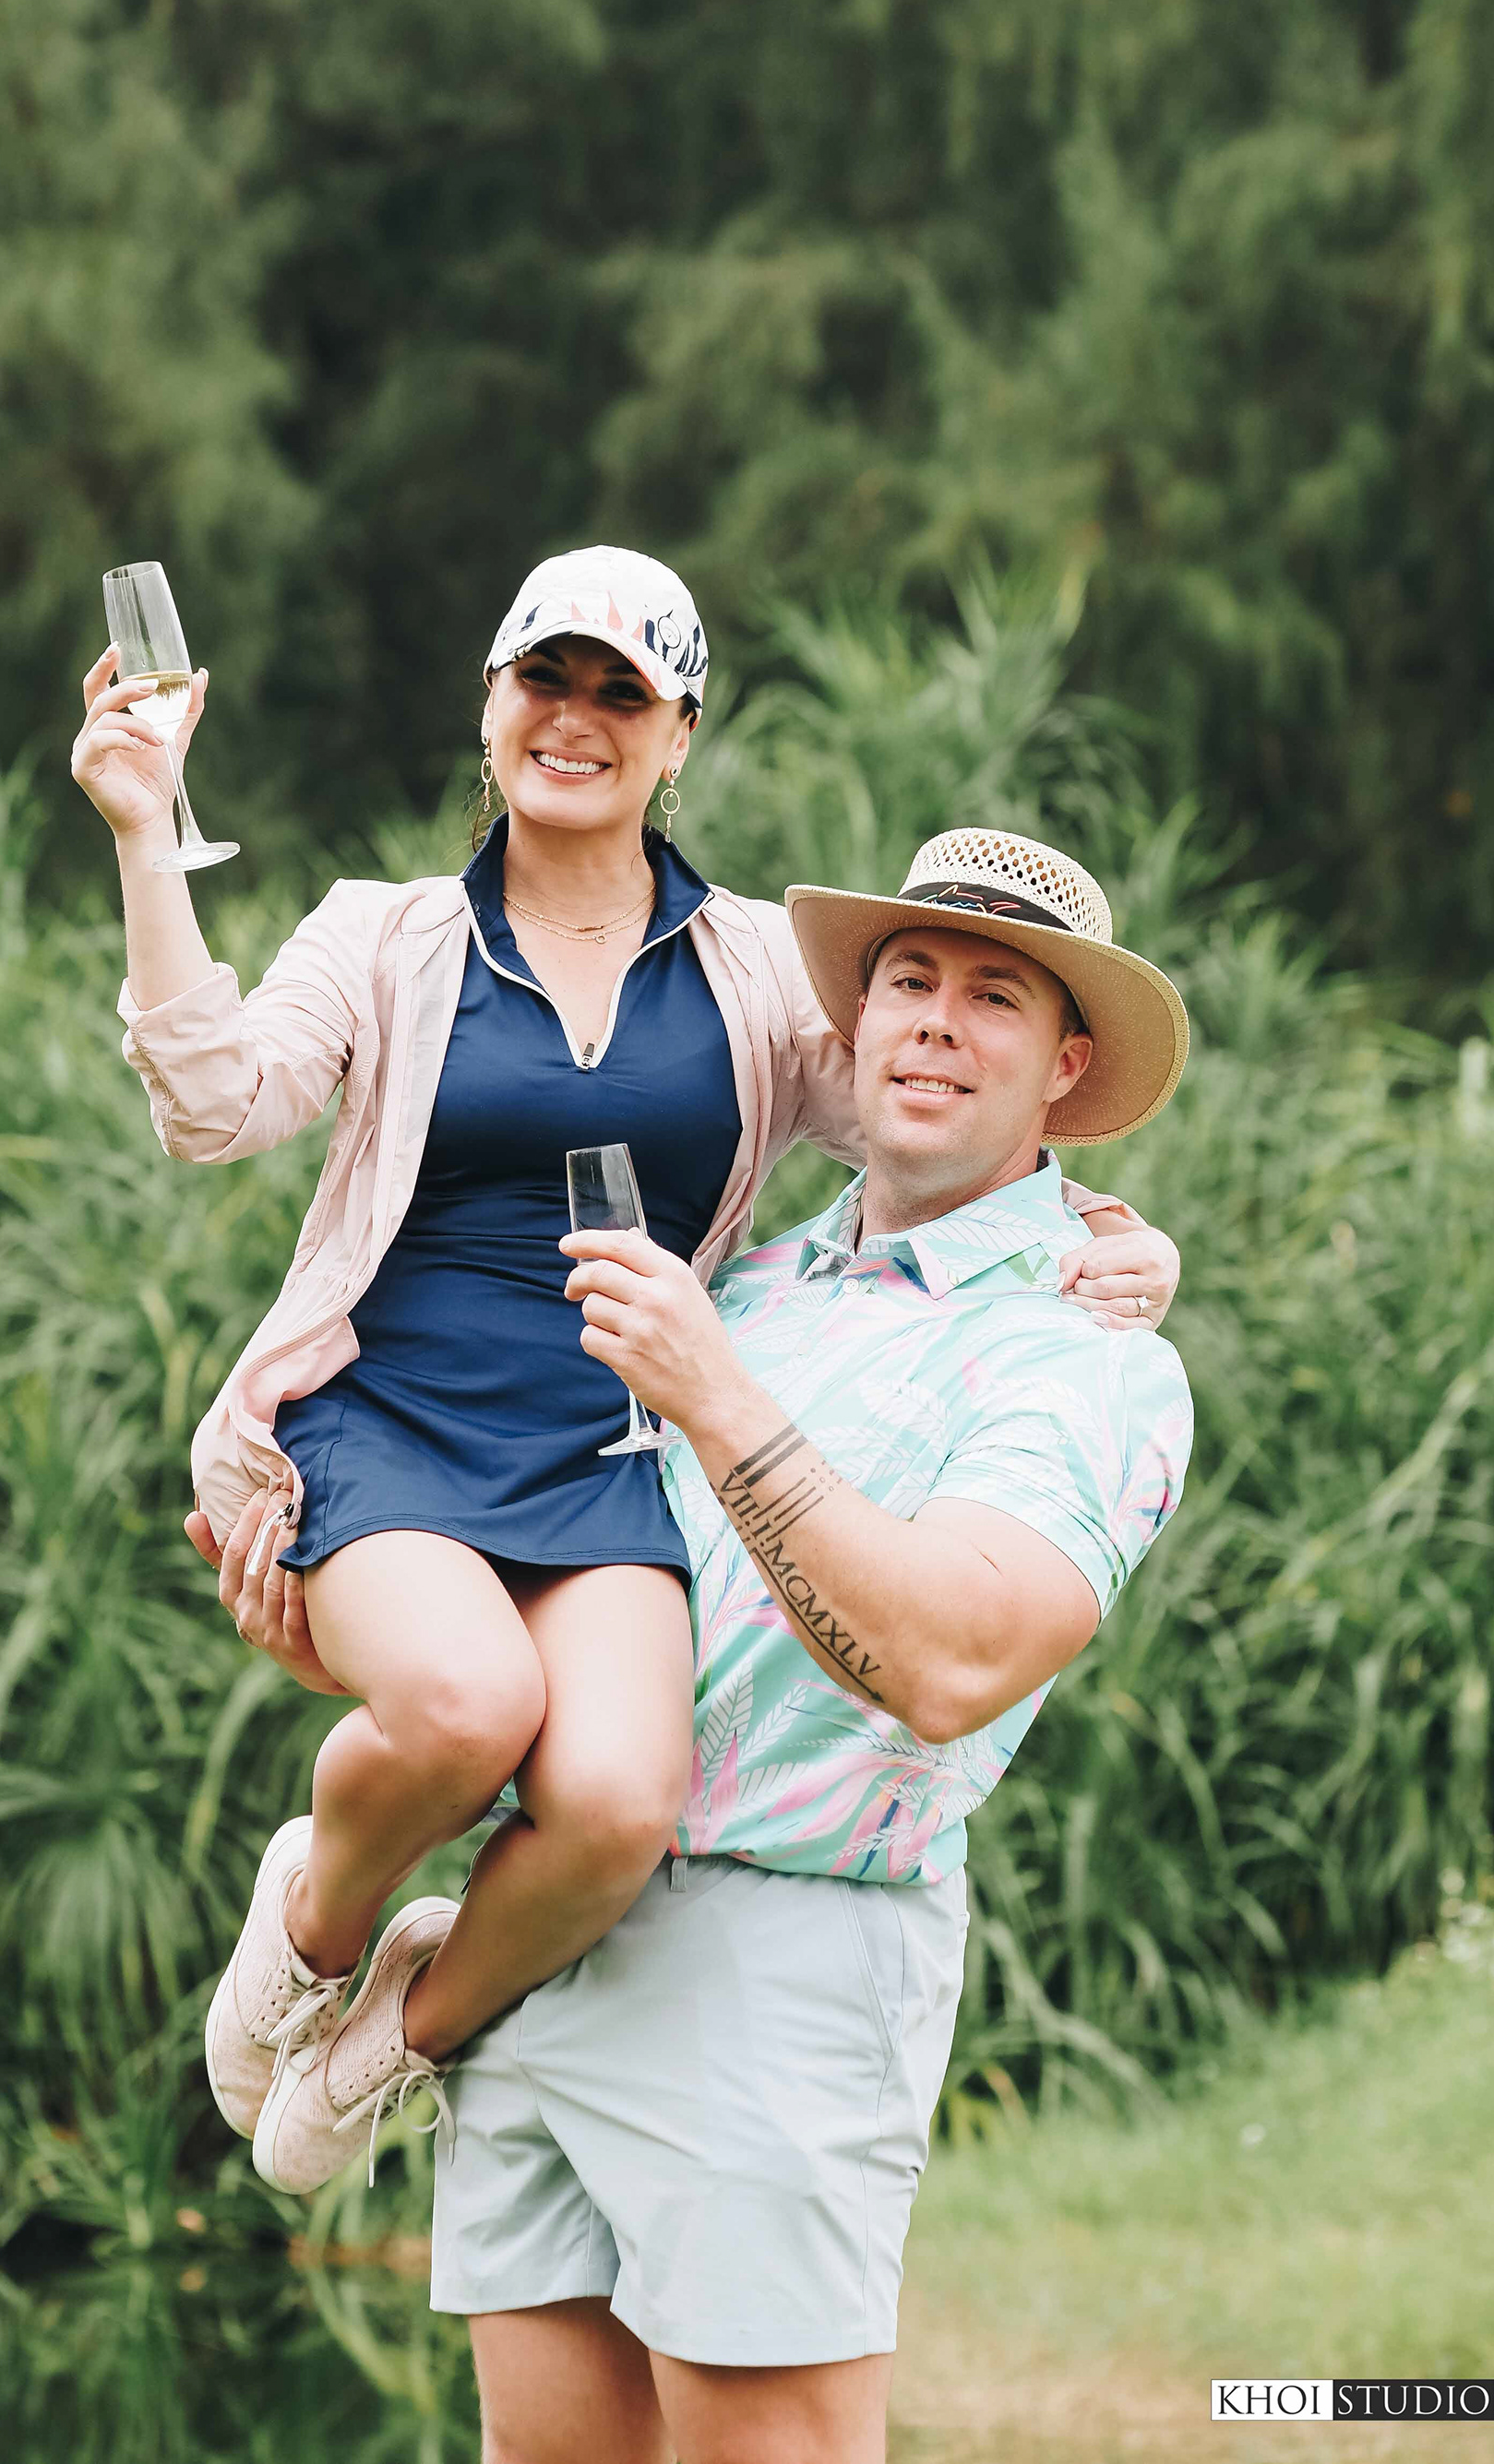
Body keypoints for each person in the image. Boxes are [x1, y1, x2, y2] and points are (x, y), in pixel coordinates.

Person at [73, 549, 1179, 2196]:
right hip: (390, 1427)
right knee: (465, 1706)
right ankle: (311, 1927)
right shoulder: (384, 939)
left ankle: (399, 2031)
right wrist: (147, 836)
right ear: (492, 709)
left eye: (620, 692)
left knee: (615, 1802)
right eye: (545, 680)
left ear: (679, 737)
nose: (574, 718)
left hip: (614, 1453)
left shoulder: (750, 971)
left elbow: (934, 1096)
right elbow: (213, 1105)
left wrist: (1104, 1228)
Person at [407, 826, 1196, 2464]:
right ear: (853, 1028)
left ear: (1065, 1065)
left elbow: (951, 1662)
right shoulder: (741, 1284)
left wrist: (712, 1396)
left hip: (783, 1967)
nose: (933, 1021)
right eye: (909, 980)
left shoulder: (1085, 1353)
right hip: (547, 1924)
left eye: (993, 996)